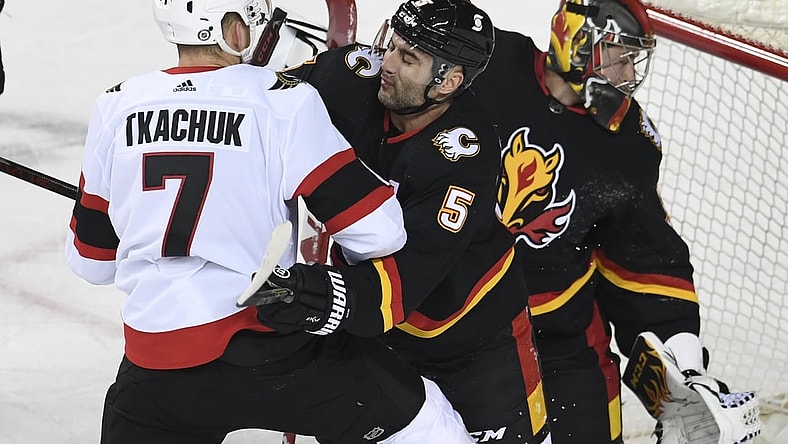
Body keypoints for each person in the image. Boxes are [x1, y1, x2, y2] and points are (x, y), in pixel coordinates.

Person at [64, 0, 478, 443]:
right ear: (232, 31)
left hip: (158, 367)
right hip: (272, 352)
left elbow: (91, 263)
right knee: (427, 424)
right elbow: (380, 231)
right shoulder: (281, 100)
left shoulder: (116, 105)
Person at [247, 1, 551, 442]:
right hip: (372, 329)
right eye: (393, 45)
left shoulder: (464, 155)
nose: (386, 63)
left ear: (449, 81)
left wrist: (312, 296)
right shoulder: (353, 75)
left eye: (409, 58)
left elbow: (405, 280)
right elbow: (256, 107)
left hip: (472, 339)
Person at [471, 0, 760, 443]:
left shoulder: (625, 141)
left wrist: (683, 363)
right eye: (620, 55)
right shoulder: (485, 60)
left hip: (560, 334)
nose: (628, 74)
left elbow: (646, 255)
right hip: (457, 320)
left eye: (633, 59)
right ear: (578, 41)